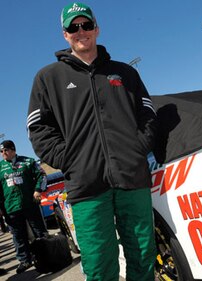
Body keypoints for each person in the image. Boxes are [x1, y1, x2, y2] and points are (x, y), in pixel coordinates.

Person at [27, 3, 158, 280]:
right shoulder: (48, 78)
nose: (81, 31)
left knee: (143, 257)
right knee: (99, 265)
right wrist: (70, 159)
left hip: (131, 178)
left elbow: (147, 114)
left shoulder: (125, 73)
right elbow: (38, 129)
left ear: (97, 28)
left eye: (86, 25)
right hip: (86, 187)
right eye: (74, 27)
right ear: (65, 34)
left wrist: (136, 149)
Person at [0, 140, 49, 274]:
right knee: (18, 236)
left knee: (39, 232)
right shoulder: (0, 167)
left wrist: (38, 189)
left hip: (30, 203)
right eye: (1, 151)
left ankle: (47, 254)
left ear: (13, 150)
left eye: (5, 150)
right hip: (11, 207)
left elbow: (42, 175)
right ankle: (24, 260)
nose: (3, 153)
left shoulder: (28, 161)